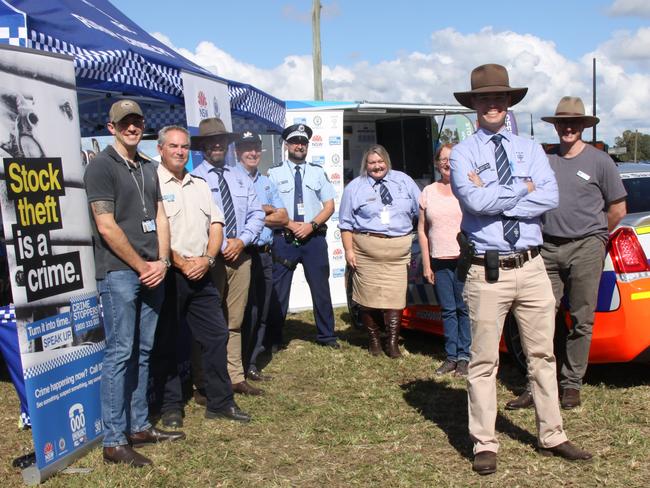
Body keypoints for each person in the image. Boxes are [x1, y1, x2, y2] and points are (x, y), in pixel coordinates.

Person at [450, 64, 592, 475]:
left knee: (542, 354)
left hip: (532, 267)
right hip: (487, 270)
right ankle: (485, 442)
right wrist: (522, 187)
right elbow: (474, 204)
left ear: (509, 102)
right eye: (483, 98)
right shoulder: (462, 153)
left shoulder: (530, 149)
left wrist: (497, 192)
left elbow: (547, 196)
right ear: (473, 104)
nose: (492, 104)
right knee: (482, 361)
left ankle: (553, 434)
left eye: (499, 97)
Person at [506, 97, 627, 411]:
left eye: (574, 123)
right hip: (546, 247)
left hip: (586, 246)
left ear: (584, 126)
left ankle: (571, 384)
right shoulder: (544, 160)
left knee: (581, 319)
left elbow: (617, 208)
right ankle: (538, 385)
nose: (568, 127)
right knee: (538, 318)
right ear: (556, 126)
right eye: (563, 123)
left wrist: (598, 237)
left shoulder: (600, 162)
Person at [84, 100, 184, 467]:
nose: (132, 127)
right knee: (120, 352)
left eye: (137, 121)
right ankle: (113, 440)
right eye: (124, 122)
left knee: (143, 350)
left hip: (151, 269)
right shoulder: (100, 167)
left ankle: (139, 425)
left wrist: (162, 261)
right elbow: (106, 225)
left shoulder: (148, 167)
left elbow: (160, 214)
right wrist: (143, 265)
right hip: (120, 272)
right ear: (111, 127)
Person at [151, 125, 251, 429]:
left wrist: (208, 259)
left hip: (202, 271)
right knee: (167, 341)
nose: (180, 152)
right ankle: (170, 407)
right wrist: (180, 262)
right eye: (173, 146)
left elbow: (217, 224)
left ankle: (220, 403)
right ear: (161, 149)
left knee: (217, 335)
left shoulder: (199, 184)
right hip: (171, 273)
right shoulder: (150, 182)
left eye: (183, 147)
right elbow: (154, 230)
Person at [191, 118, 266, 396]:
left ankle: (235, 376)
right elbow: (197, 221)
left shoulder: (240, 176)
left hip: (241, 257)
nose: (217, 145)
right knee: (208, 321)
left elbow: (257, 213)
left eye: (221, 140)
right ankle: (203, 380)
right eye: (211, 141)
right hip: (211, 259)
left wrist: (241, 240)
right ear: (203, 147)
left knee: (235, 320)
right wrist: (222, 244)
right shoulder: (195, 179)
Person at [339, 144, 420, 357]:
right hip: (366, 251)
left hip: (398, 251)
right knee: (367, 298)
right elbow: (346, 224)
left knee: (395, 297)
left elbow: (421, 211)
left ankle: (392, 342)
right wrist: (349, 251)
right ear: (366, 164)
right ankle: (374, 340)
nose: (377, 166)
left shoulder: (404, 181)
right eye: (372, 162)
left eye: (380, 161)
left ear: (387, 162)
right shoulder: (354, 187)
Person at [267, 124, 339, 349]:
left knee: (321, 289)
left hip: (313, 239)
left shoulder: (317, 171)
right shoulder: (273, 173)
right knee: (278, 291)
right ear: (286, 145)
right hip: (284, 238)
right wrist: (289, 224)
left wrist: (311, 225)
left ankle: (326, 336)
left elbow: (329, 206)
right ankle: (274, 338)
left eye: (304, 142)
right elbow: (268, 208)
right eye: (295, 142)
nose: (300, 146)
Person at [235, 130, 288, 380]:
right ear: (237, 151)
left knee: (263, 310)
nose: (252, 152)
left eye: (256, 147)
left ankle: (252, 362)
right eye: (247, 147)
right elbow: (235, 217)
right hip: (242, 255)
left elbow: (284, 217)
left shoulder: (267, 182)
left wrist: (257, 212)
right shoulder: (231, 179)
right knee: (244, 312)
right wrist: (265, 210)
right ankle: (236, 365)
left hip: (265, 254)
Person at [418, 143, 471, 375]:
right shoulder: (428, 191)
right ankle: (451, 356)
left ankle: (465, 357)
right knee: (448, 310)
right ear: (437, 163)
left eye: (452, 159)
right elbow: (422, 229)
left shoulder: (467, 188)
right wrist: (427, 263)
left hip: (464, 259)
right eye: (443, 159)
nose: (447, 163)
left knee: (464, 309)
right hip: (439, 259)